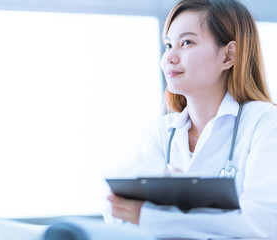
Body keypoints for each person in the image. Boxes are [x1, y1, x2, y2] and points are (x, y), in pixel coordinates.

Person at [105, 0, 277, 239]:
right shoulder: (165, 132)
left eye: (186, 42)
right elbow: (116, 207)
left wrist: (154, 216)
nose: (169, 58)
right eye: (167, 45)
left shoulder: (265, 123)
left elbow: (263, 225)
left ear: (229, 55)